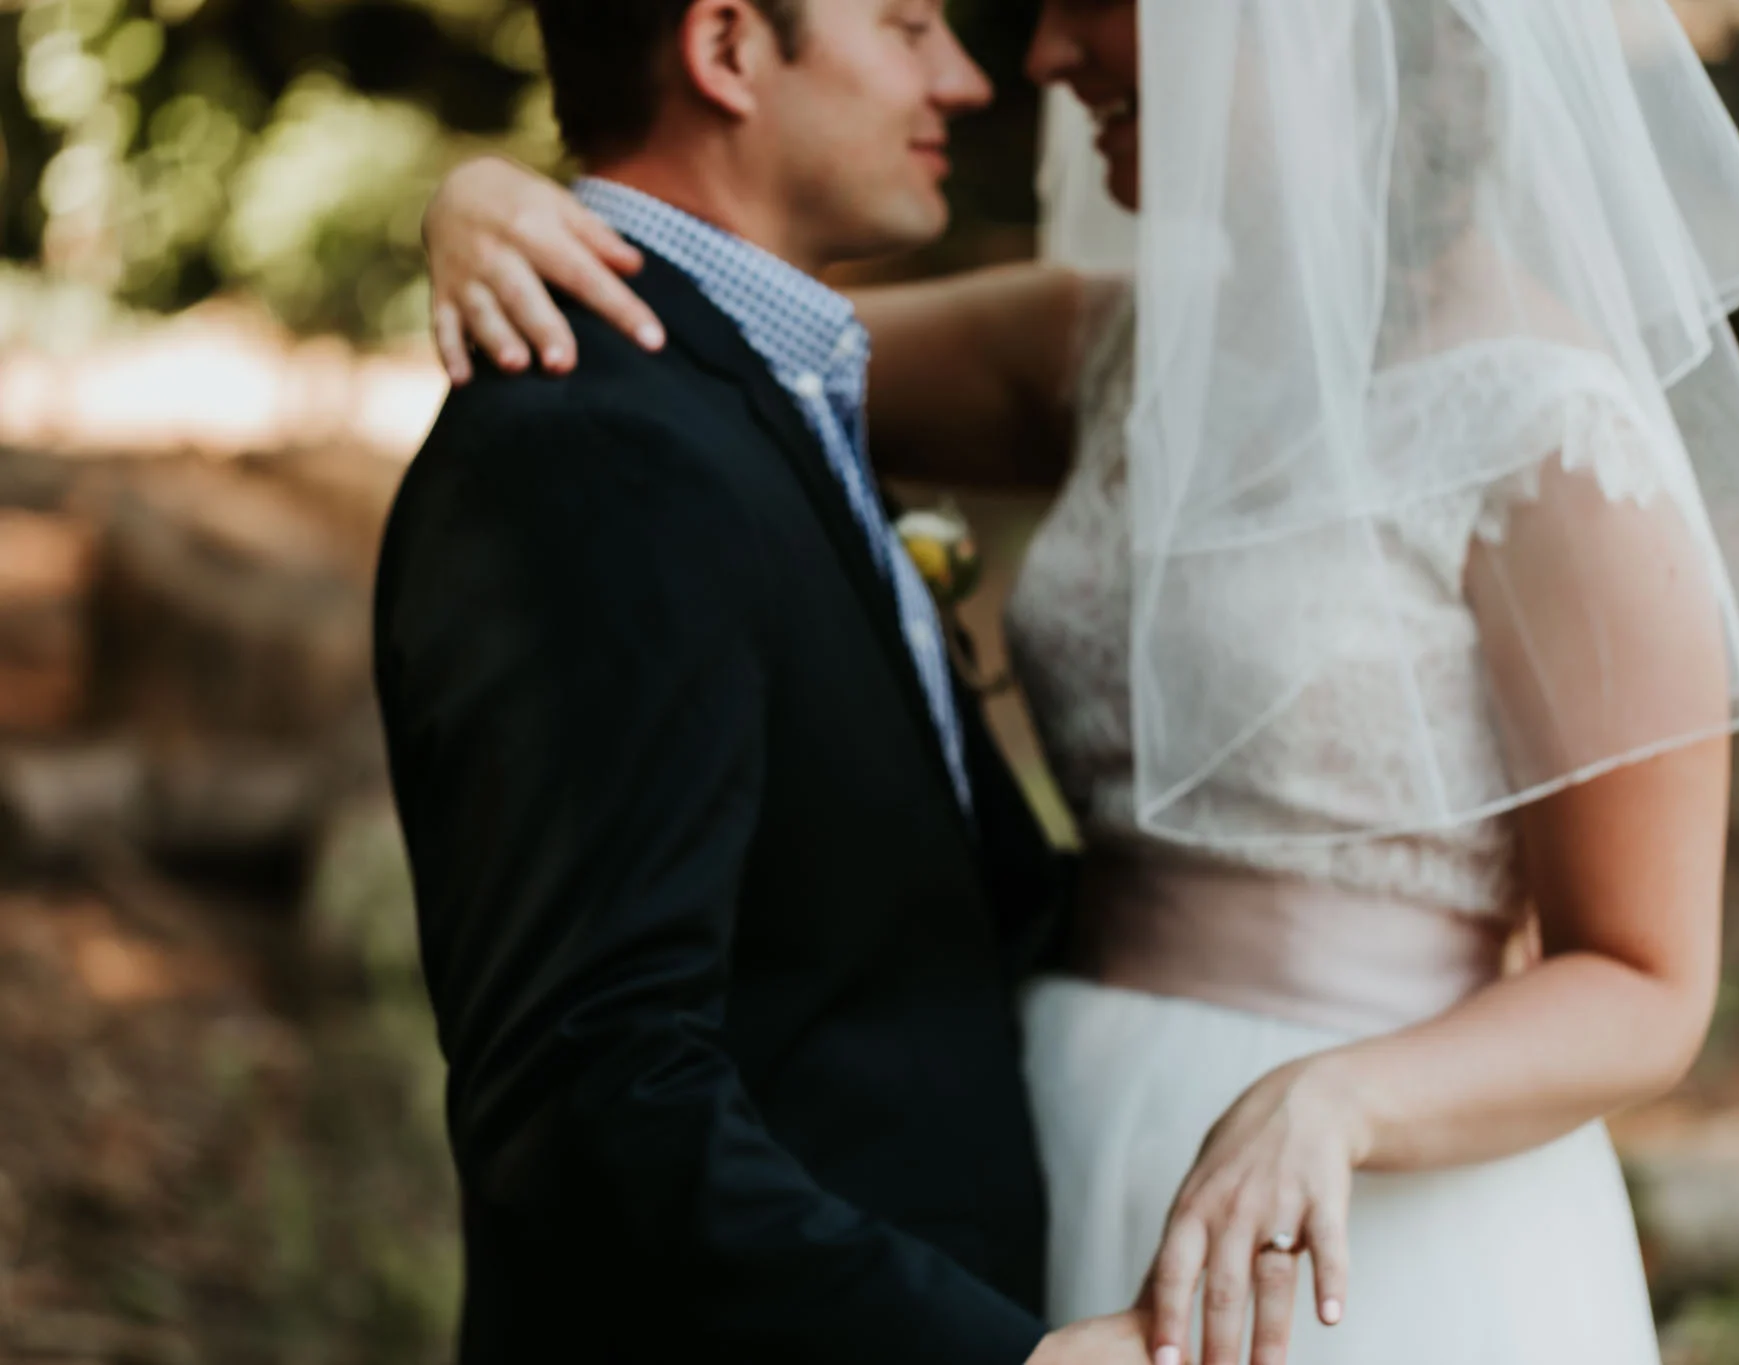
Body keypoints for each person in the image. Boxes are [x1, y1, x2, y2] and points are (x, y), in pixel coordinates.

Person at [419, 1, 1739, 1362]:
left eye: (1092, 0)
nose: (1040, 57)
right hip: (1040, 1149)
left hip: (1346, 1208)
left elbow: (1641, 981)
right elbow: (707, 360)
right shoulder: (1107, 347)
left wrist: (1345, 1098)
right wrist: (489, 201)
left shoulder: (1551, 434)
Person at [374, 1, 1159, 1361]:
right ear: (727, 47)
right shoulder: (591, 450)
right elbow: (589, 1092)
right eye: (909, 22)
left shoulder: (764, 387)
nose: (967, 79)